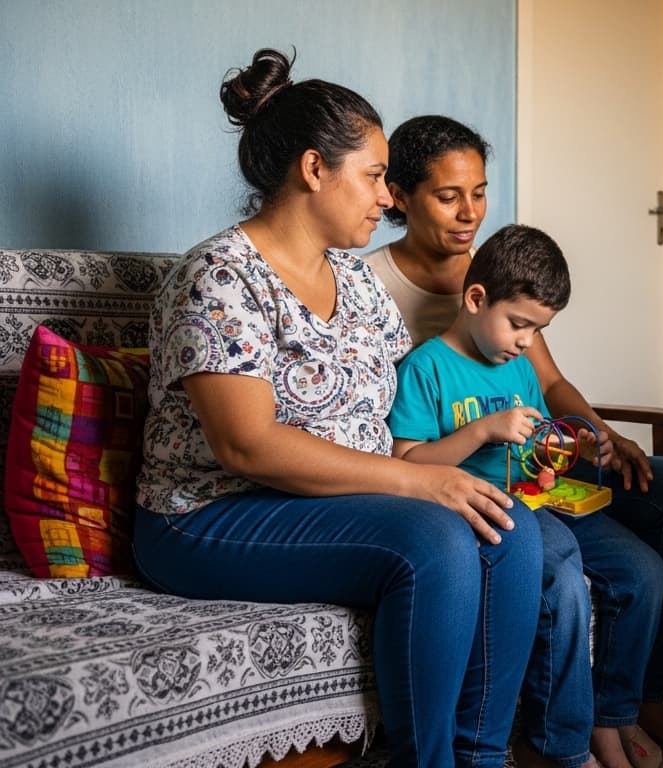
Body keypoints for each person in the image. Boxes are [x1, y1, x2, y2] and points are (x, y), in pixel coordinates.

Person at [131, 49, 542, 768]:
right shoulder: (220, 277)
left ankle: (479, 757)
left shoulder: (356, 283)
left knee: (509, 528)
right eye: (377, 176)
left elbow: (393, 417)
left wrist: (450, 464)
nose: (388, 199)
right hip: (209, 514)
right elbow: (248, 447)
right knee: (435, 541)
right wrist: (419, 483)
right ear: (315, 169)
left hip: (333, 499)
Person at [364, 115, 663, 768]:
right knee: (554, 556)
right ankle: (571, 733)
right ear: (397, 194)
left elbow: (546, 381)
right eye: (449, 195)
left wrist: (601, 436)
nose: (468, 210)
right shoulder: (373, 291)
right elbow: (392, 435)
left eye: (478, 191)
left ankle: (631, 700)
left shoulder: (506, 277)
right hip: (466, 478)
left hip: (535, 473)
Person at [388, 224, 658, 768]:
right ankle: (562, 748)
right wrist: (482, 431)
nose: (527, 343)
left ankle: (615, 717)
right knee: (564, 585)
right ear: (475, 298)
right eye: (518, 325)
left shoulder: (518, 367)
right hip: (487, 509)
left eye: (538, 329)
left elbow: (537, 445)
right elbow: (407, 461)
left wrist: (571, 447)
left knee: (642, 571)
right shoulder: (426, 369)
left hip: (539, 498)